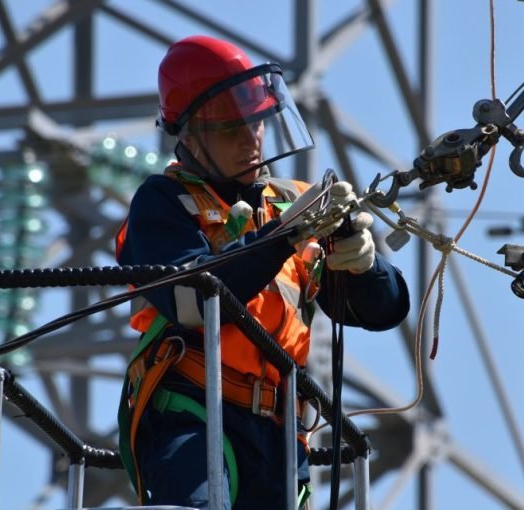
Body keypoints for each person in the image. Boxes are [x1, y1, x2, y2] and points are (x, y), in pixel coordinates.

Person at [115, 34, 410, 509]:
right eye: (231, 129)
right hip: (196, 407)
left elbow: (382, 310)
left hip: (280, 431)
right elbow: (191, 302)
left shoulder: (291, 202)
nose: (250, 140)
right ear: (189, 136)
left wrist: (363, 263)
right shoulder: (165, 204)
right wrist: (281, 239)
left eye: (255, 125)